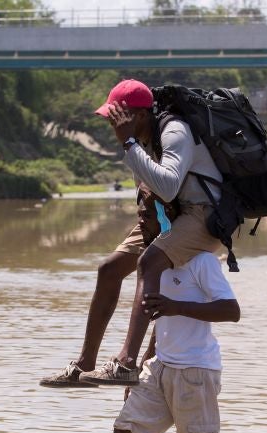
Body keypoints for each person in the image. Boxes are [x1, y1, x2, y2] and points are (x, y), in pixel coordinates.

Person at [39, 79, 224, 389]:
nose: (111, 123)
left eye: (116, 116)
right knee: (109, 269)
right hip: (172, 213)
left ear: (138, 115)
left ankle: (127, 363)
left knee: (150, 264)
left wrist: (128, 144)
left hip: (204, 214)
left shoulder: (174, 132)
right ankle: (85, 364)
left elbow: (167, 185)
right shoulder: (140, 137)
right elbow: (148, 188)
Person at [110, 192, 240, 433]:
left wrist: (176, 306)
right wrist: (141, 368)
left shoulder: (201, 260)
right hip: (160, 367)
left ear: (169, 217)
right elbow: (159, 320)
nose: (140, 222)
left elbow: (231, 310)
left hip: (195, 372)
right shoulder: (157, 264)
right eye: (138, 215)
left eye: (146, 217)